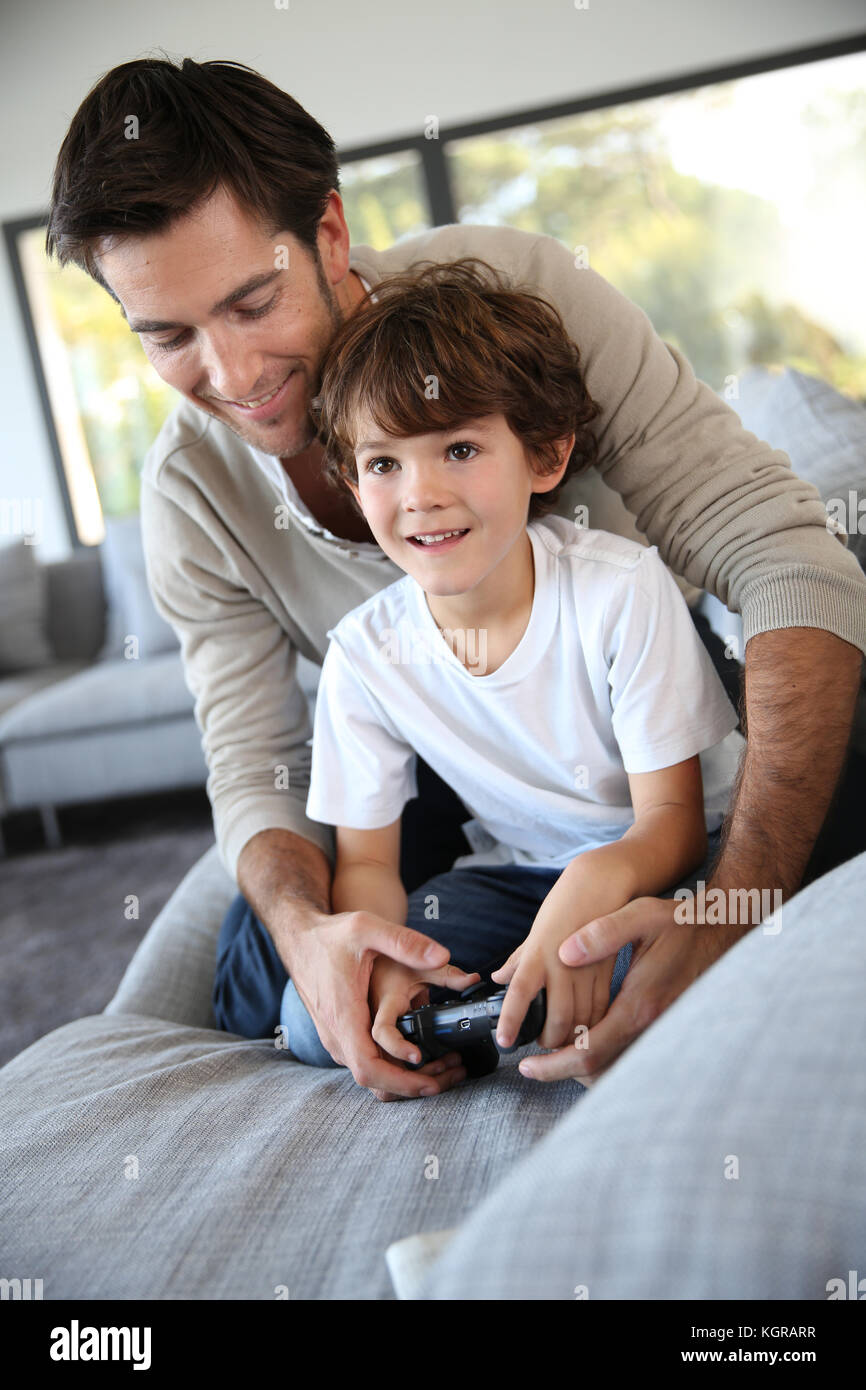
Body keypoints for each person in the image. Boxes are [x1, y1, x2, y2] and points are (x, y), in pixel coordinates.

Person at [45, 58, 866, 1102]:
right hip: (437, 759)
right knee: (260, 969)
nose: (235, 376)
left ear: (329, 235)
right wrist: (318, 935)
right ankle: (492, 989)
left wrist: (726, 909)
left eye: (253, 301)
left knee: (826, 765)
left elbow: (784, 558)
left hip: (639, 726)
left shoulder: (517, 302)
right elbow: (257, 768)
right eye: (168, 335)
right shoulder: (192, 498)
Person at [268, 258, 744, 1096]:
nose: (420, 495)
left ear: (546, 456)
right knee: (316, 1018)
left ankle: (529, 1006)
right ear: (351, 482)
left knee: (667, 968)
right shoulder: (364, 655)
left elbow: (669, 826)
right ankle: (497, 1016)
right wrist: (384, 969)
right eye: (384, 464)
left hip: (669, 863)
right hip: (516, 875)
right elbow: (370, 869)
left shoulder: (619, 589)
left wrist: (594, 884)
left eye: (458, 448)